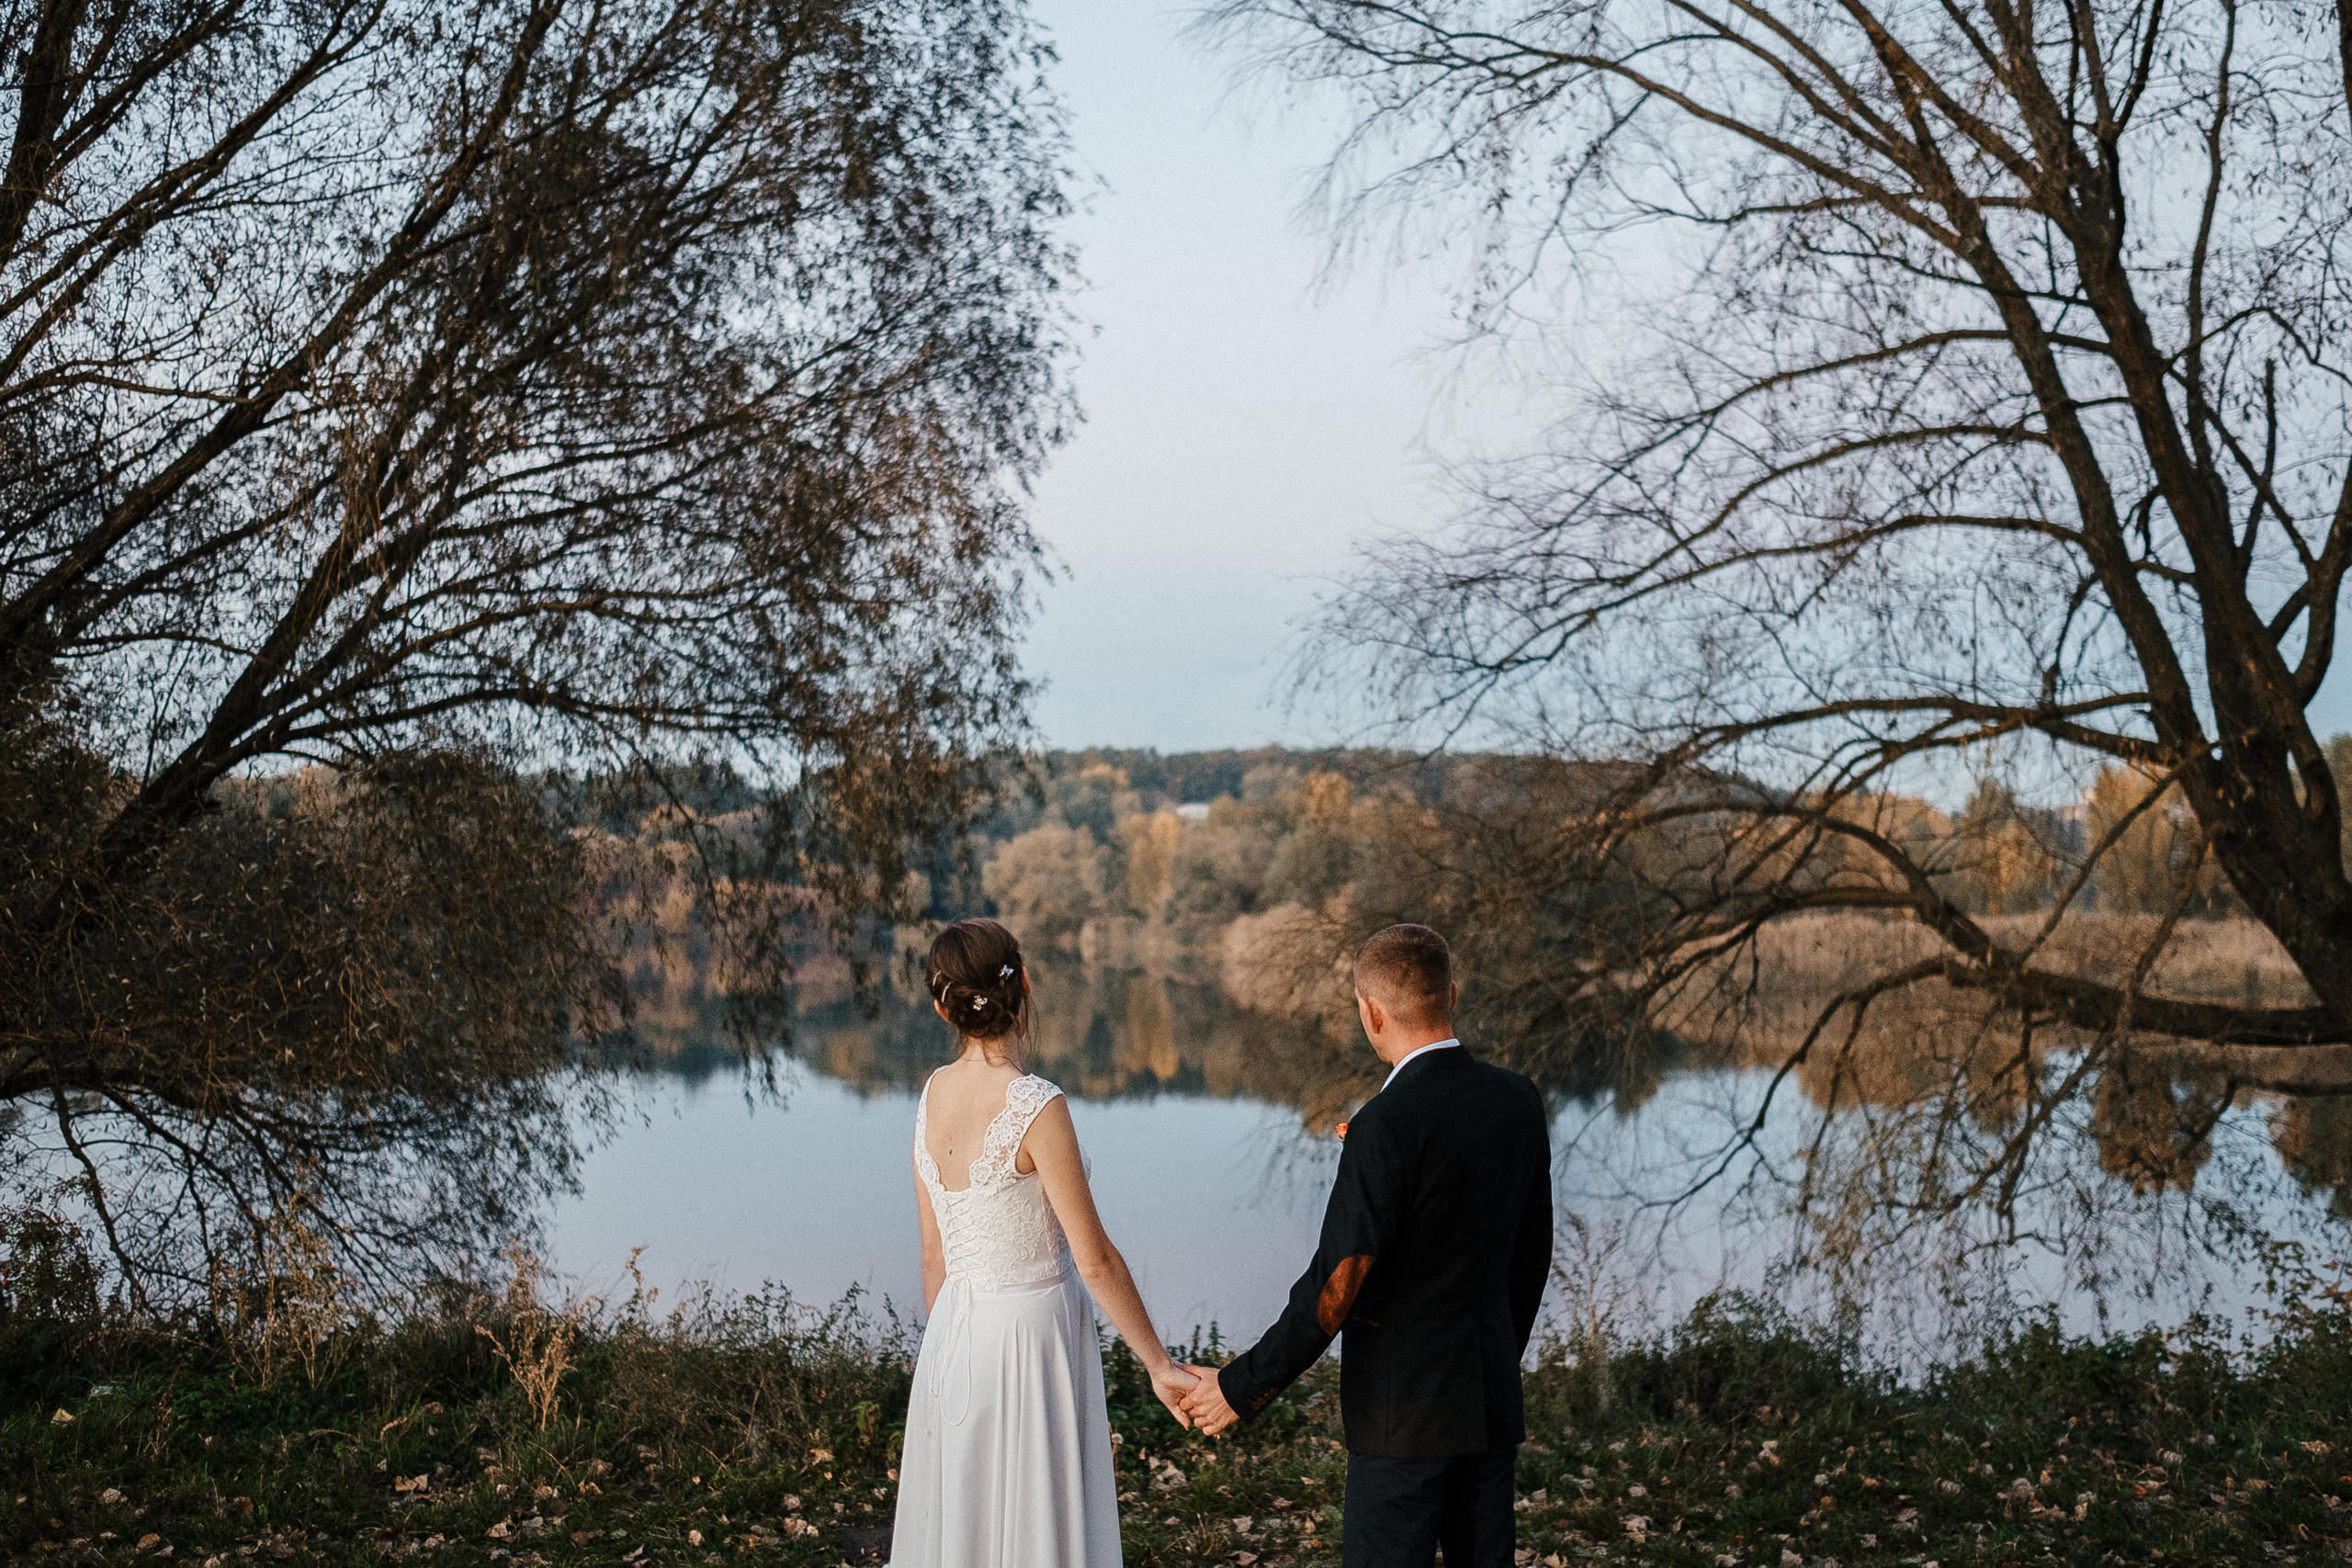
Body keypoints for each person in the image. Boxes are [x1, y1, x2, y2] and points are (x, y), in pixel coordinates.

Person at [1179, 922, 1553, 1568]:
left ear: (1370, 1012)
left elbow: (1338, 1282)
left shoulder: (1384, 1124)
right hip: (1488, 1400)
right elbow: (1531, 1256)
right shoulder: (1517, 1099)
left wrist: (1244, 1386)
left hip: (1400, 1417)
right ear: (1453, 995)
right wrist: (1491, 1354)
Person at [887, 918, 1197, 1568]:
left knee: (966, 1518)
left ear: (941, 1006)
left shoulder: (931, 1093)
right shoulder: (1035, 1103)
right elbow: (1096, 1258)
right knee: (1035, 1522)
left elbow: (933, 1253)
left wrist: (948, 1355)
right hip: (1032, 1339)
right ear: (1024, 984)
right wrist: (1159, 1363)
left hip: (954, 1334)